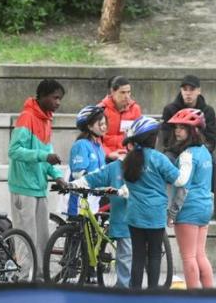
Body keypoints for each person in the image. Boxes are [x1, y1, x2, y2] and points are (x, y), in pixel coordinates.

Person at [120, 116, 189, 289]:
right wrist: (186, 164)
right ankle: (152, 293)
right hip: (155, 214)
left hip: (134, 214)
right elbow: (179, 181)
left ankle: (134, 292)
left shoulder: (129, 159)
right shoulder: (159, 158)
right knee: (155, 255)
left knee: (138, 256)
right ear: (152, 138)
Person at [7, 79, 66, 268]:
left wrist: (57, 175)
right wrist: (43, 156)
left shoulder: (46, 120)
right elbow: (14, 151)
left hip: (39, 188)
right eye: (55, 98)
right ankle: (25, 280)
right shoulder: (26, 117)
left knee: (42, 238)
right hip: (23, 188)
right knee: (26, 238)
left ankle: (40, 278)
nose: (58, 102)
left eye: (60, 99)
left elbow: (47, 153)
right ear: (42, 96)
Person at [166, 108, 214, 289]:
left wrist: (172, 213)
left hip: (189, 208)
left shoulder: (187, 155)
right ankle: (210, 296)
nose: (177, 131)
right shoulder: (205, 152)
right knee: (200, 255)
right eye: (176, 127)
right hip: (205, 207)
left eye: (182, 127)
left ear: (193, 130)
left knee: (188, 257)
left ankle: (192, 299)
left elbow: (182, 184)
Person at [69, 157, 132, 288]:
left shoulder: (141, 163)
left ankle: (124, 290)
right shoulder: (114, 167)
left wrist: (122, 191)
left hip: (134, 217)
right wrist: (74, 184)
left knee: (125, 253)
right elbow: (95, 177)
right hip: (120, 217)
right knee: (123, 253)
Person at [159, 74, 216, 154]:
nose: (188, 93)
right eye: (185, 89)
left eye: (192, 89)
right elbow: (167, 141)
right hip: (175, 153)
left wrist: (197, 152)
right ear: (181, 91)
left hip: (200, 153)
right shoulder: (170, 110)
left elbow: (211, 141)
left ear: (199, 91)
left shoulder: (208, 111)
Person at [67, 104, 107, 217]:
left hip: (94, 201)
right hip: (79, 201)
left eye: (105, 124)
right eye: (100, 124)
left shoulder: (99, 147)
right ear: (89, 126)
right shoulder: (81, 145)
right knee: (78, 233)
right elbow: (78, 174)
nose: (104, 127)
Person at [100, 75, 142, 160]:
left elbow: (139, 136)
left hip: (128, 155)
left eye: (128, 92)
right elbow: (96, 139)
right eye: (122, 92)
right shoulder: (101, 109)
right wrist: (108, 154)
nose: (127, 96)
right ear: (112, 92)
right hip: (106, 155)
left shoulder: (135, 109)